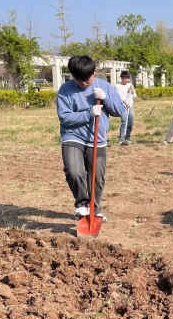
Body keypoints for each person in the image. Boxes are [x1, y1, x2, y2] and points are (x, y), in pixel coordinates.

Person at [56, 55, 127, 220]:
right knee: (73, 171)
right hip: (72, 136)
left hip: (98, 138)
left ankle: (94, 210)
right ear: (72, 75)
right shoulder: (65, 90)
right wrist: (88, 114)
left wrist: (105, 98)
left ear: (94, 72)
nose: (84, 83)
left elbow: (120, 111)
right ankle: (82, 204)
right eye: (79, 79)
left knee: (97, 177)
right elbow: (64, 117)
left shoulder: (105, 87)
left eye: (87, 79)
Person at [115, 71, 137, 145]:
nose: (127, 80)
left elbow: (134, 97)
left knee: (130, 122)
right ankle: (121, 139)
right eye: (125, 78)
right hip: (123, 106)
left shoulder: (130, 85)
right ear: (121, 78)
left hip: (130, 106)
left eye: (128, 78)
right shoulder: (117, 86)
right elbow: (119, 97)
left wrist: (133, 90)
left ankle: (128, 138)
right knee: (124, 122)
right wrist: (125, 103)